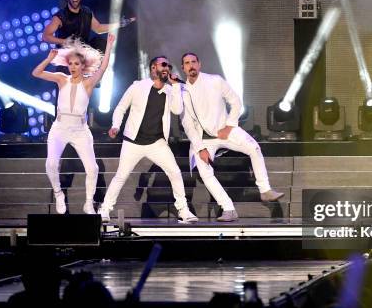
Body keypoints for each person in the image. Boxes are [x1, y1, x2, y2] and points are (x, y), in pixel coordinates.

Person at [180, 52, 284, 222]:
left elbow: (235, 101)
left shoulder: (215, 80)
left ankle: (265, 190)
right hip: (202, 139)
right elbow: (187, 124)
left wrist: (229, 126)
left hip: (224, 130)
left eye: (193, 62)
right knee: (205, 172)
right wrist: (200, 148)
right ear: (183, 68)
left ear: (199, 64)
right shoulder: (183, 92)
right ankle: (228, 208)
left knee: (254, 147)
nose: (191, 65)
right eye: (187, 63)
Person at [97, 56, 198, 224]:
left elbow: (177, 109)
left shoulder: (170, 89)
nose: (167, 68)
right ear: (153, 68)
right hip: (133, 142)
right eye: (163, 64)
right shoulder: (138, 86)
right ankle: (105, 209)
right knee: (121, 176)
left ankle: (183, 210)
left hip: (157, 143)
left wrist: (175, 87)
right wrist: (116, 125)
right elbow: (121, 107)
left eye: (169, 66)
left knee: (174, 172)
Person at [32, 33, 115, 214]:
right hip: (60, 128)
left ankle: (88, 203)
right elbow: (36, 73)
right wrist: (48, 59)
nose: (73, 67)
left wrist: (109, 45)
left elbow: (103, 67)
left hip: (80, 130)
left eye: (77, 64)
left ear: (83, 65)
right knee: (51, 165)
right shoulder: (62, 79)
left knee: (92, 168)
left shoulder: (88, 83)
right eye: (70, 64)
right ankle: (59, 194)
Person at [42, 0, 135, 49]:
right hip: (65, 56)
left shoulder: (87, 12)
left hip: (81, 54)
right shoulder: (59, 16)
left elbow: (98, 28)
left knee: (100, 43)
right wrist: (65, 42)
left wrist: (119, 24)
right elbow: (45, 36)